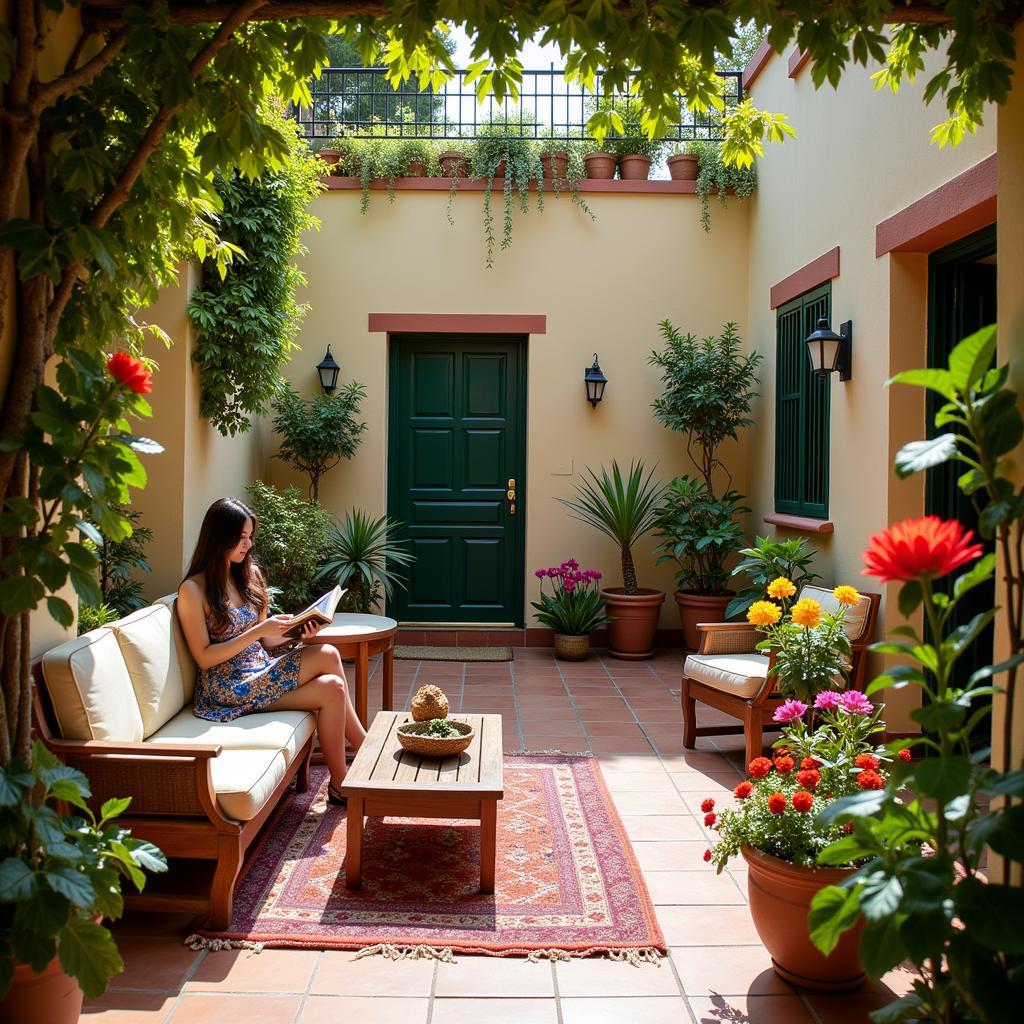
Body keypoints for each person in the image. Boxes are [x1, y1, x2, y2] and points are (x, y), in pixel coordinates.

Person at [176, 497, 366, 806]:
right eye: (240, 538)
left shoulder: (246, 575)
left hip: (260, 671)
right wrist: (260, 631)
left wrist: (298, 633)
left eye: (250, 537)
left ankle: (357, 762)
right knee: (331, 684)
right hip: (227, 688)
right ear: (219, 537)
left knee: (329, 662)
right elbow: (204, 656)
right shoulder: (193, 591)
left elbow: (266, 642)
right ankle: (354, 770)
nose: (247, 545)